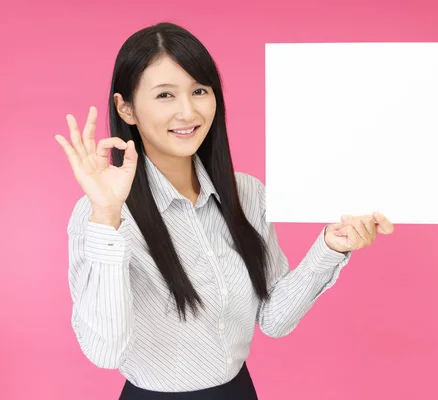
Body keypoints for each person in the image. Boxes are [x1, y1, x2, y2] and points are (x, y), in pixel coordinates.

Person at [55, 22, 394, 399]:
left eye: (199, 90)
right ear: (126, 108)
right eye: (165, 95)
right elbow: (105, 351)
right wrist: (106, 216)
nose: (187, 111)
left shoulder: (247, 193)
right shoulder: (102, 215)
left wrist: (331, 246)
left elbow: (274, 319)